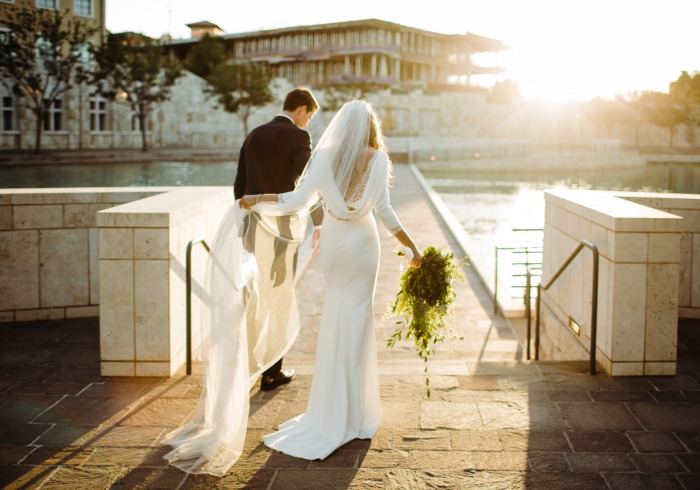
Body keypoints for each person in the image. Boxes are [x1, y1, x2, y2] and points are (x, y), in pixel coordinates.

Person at [239, 100, 422, 460]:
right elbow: (384, 210)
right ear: (371, 127)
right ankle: (357, 413)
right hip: (363, 243)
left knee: (336, 313)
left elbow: (296, 200)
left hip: (337, 240)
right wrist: (412, 247)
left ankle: (332, 410)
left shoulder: (325, 156)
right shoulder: (378, 158)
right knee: (358, 319)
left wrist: (256, 199)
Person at [234, 87, 320, 391]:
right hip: (283, 231)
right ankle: (271, 371)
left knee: (262, 295)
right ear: (301, 108)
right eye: (310, 115)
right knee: (280, 296)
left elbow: (239, 187)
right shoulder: (298, 136)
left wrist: (246, 228)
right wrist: (320, 220)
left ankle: (254, 363)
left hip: (256, 229)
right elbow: (309, 183)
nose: (308, 122)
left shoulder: (254, 134)